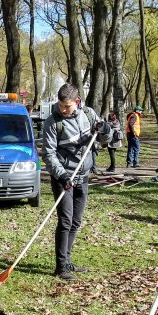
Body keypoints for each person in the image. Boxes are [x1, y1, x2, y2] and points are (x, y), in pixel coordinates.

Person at [42, 83, 110, 280]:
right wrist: (62, 175)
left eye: (67, 106)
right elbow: (49, 154)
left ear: (77, 102)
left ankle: (68, 260)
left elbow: (106, 139)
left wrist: (104, 129)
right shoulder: (52, 123)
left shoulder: (88, 114)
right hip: (63, 178)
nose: (63, 109)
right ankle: (60, 265)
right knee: (65, 221)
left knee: (76, 221)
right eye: (61, 105)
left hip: (83, 176)